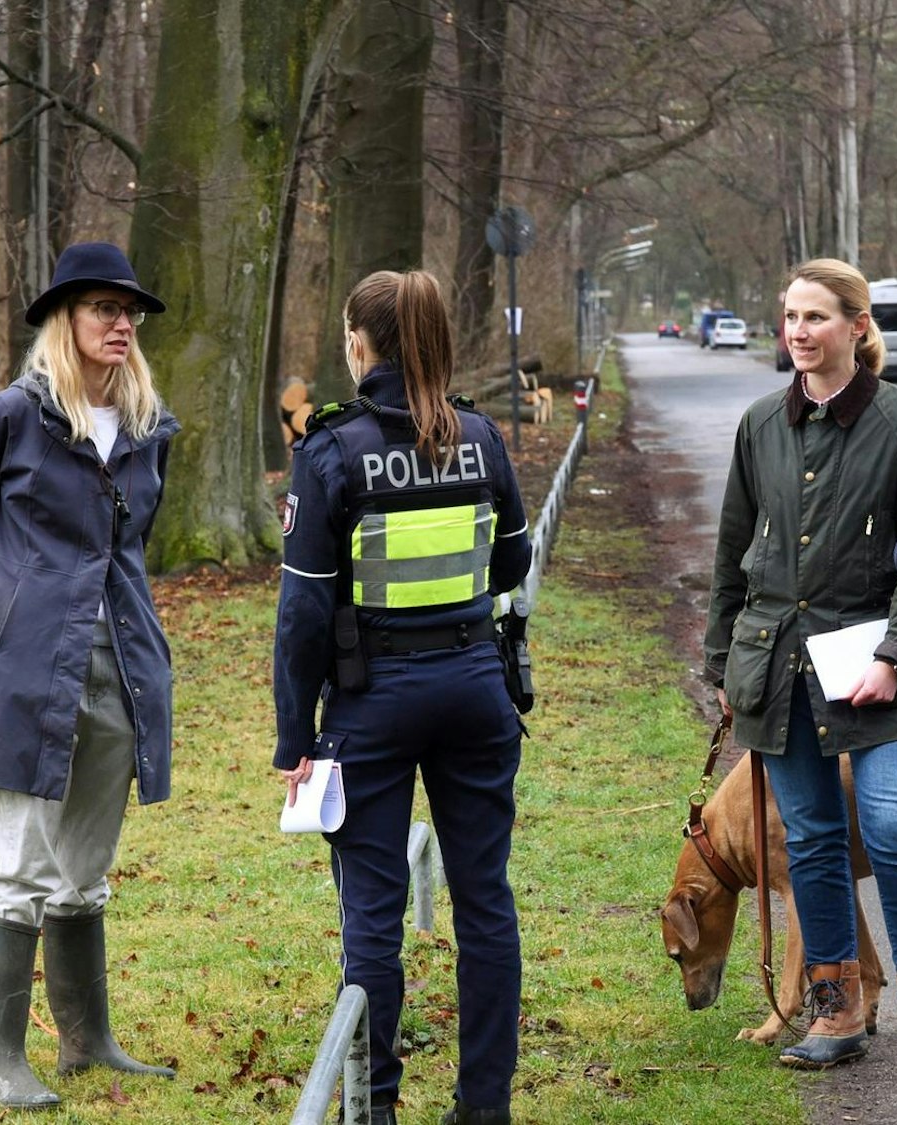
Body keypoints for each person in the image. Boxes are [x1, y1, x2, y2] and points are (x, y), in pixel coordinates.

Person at [272, 269, 532, 1125]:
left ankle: (373, 1106)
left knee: (373, 919)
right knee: (485, 900)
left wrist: (293, 738)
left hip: (371, 700)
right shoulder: (484, 438)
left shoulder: (331, 450)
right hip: (474, 688)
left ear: (359, 343)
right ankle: (484, 1107)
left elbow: (305, 611)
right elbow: (513, 562)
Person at [704, 258, 897, 1083]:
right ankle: (836, 1005)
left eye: (815, 317)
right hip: (777, 671)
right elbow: (731, 555)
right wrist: (722, 660)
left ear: (858, 326)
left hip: (876, 671)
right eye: (789, 316)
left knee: (892, 827)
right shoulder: (758, 424)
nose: (798, 331)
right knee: (813, 841)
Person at [0, 241, 180, 1109]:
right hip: (29, 671)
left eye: (129, 311)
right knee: (23, 862)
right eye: (103, 308)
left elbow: (132, 552)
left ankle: (89, 1041)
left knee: (85, 863)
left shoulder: (149, 428)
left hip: (122, 667)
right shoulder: (13, 415)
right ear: (64, 319)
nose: (121, 323)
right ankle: (5, 1059)